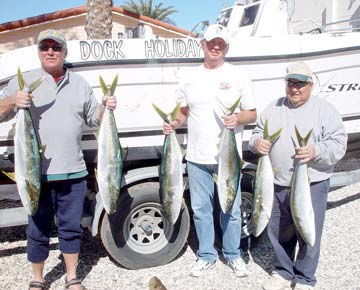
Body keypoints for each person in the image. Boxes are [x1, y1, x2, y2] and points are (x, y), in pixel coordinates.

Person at [0, 29, 116, 290]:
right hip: (35, 175)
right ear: (39, 52)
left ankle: (72, 277)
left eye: (56, 47)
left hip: (73, 172)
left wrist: (105, 107)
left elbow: (93, 119)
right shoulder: (24, 81)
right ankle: (37, 279)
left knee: (71, 227)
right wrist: (12, 100)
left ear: (65, 52)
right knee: (37, 227)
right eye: (45, 47)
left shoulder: (80, 84)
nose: (50, 51)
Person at [163, 24, 257, 277]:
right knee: (201, 209)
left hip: (228, 160)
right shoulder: (188, 76)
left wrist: (237, 119)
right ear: (202, 45)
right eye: (211, 43)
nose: (216, 47)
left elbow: (252, 112)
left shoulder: (238, 75)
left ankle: (233, 254)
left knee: (231, 209)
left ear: (226, 47)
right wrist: (174, 122)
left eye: (221, 44)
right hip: (196, 157)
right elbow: (183, 111)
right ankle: (206, 255)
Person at [249, 61, 347, 290]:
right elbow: (255, 133)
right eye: (290, 83)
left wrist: (316, 150)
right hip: (276, 182)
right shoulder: (272, 108)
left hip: (312, 182)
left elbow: (338, 145)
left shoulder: (325, 110)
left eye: (300, 84)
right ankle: (283, 271)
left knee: (307, 229)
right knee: (279, 231)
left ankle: (305, 278)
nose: (294, 88)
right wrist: (257, 143)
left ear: (310, 85)